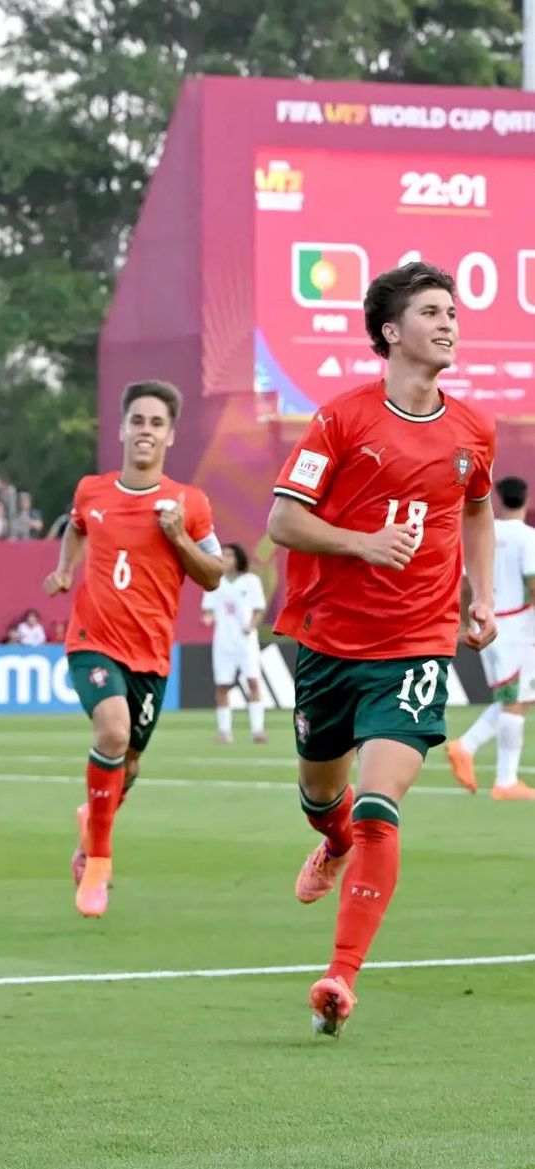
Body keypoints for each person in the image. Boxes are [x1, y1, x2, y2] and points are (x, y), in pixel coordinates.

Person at [265, 261, 496, 1037]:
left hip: (417, 643)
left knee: (377, 802)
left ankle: (340, 975)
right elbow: (283, 521)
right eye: (432, 311)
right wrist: (364, 543)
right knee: (323, 802)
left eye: (453, 311)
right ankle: (329, 844)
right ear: (392, 332)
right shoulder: (340, 419)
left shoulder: (473, 430)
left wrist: (480, 594)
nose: (449, 322)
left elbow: (477, 514)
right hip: (329, 641)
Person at [44, 380, 222, 919]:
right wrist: (65, 569)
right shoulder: (91, 491)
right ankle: (98, 859)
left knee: (132, 762)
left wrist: (180, 539)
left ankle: (91, 825)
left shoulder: (189, 504)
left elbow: (213, 575)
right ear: (122, 429)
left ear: (169, 437)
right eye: (137, 421)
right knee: (114, 733)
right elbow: (76, 528)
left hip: (151, 655)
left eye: (156, 423)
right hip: (91, 641)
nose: (145, 431)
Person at [445, 476, 535, 800]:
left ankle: (465, 747)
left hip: (489, 620)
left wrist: (464, 618)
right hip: (518, 626)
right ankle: (505, 780)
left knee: (519, 697)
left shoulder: (486, 535)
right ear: (525, 500)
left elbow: (466, 583)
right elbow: (533, 582)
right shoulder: (528, 538)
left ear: (498, 500)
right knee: (515, 700)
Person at [200, 543, 268, 744]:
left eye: (230, 555)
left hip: (246, 641)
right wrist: (207, 619)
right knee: (222, 685)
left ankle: (257, 730)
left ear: (238, 558)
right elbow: (209, 610)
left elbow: (258, 609)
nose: (226, 559)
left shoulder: (250, 581)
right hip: (223, 641)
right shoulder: (215, 580)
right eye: (223, 555)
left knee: (253, 681)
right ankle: (224, 731)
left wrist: (251, 626)